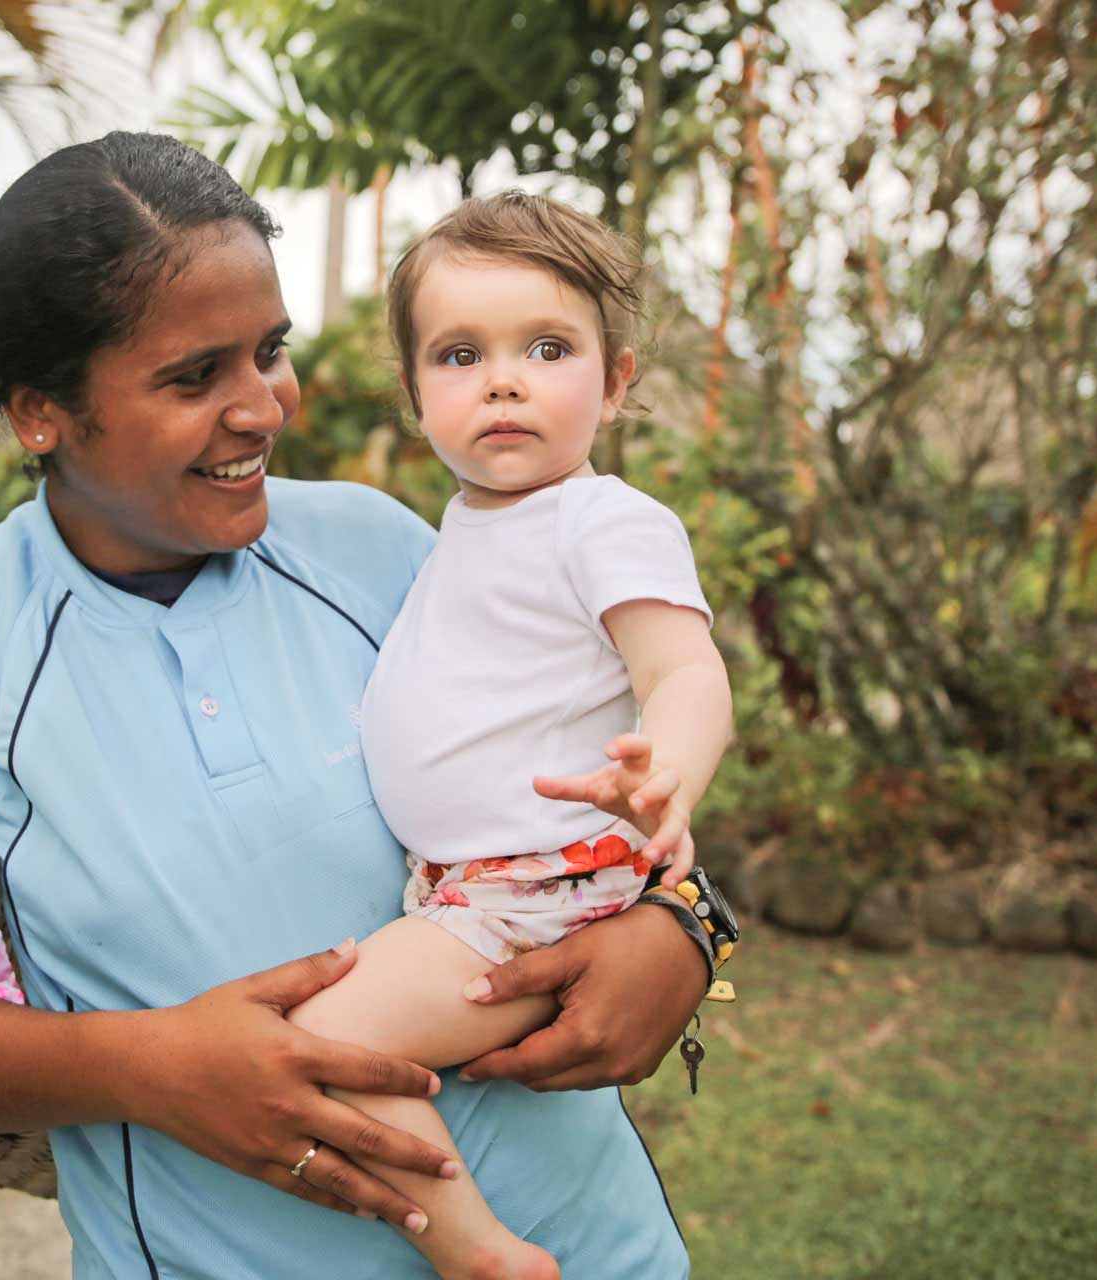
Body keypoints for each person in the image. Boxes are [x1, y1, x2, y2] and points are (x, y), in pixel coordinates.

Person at [0, 132, 711, 1279]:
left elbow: (586, 760)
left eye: (268, 351)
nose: (263, 407)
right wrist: (148, 1066)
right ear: (42, 411)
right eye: (194, 376)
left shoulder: (380, 547)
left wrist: (681, 930)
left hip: (587, 1241)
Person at [281, 192, 733, 1280]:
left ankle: (478, 1249)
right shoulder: (461, 528)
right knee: (332, 1044)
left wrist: (668, 767)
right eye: (459, 353)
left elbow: (685, 667)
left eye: (547, 347)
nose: (504, 379)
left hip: (530, 890)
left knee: (314, 1045)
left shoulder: (603, 519)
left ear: (617, 380)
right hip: (464, 888)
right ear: (415, 392)